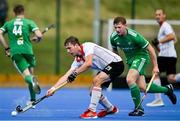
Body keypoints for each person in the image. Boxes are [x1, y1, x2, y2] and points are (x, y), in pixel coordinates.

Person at [110, 16, 177, 116]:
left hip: (141, 57)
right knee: (142, 87)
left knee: (129, 79)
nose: (117, 30)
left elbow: (151, 49)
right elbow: (114, 50)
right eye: (115, 28)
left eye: (119, 27)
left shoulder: (135, 36)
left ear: (125, 26)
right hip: (131, 61)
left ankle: (139, 109)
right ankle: (167, 89)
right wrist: (118, 63)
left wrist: (155, 66)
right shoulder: (113, 37)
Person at [46, 36, 124, 119]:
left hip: (116, 63)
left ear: (76, 45)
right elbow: (66, 75)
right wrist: (53, 88)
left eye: (69, 48)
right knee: (92, 92)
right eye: (66, 49)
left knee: (97, 80)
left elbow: (88, 63)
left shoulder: (87, 46)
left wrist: (75, 73)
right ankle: (110, 108)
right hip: (106, 68)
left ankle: (92, 111)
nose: (68, 51)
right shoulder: (77, 60)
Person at [0, 4, 42, 105]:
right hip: (28, 52)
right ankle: (32, 100)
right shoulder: (29, 22)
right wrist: (38, 39)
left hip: (16, 52)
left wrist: (6, 47)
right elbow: (39, 35)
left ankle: (32, 80)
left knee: (28, 77)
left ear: (14, 13)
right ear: (23, 12)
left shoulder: (8, 24)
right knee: (31, 76)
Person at [146, 9, 180, 107]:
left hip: (166, 56)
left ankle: (158, 100)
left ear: (164, 15)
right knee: (171, 79)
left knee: (155, 73)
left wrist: (159, 41)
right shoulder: (163, 27)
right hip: (170, 55)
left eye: (159, 14)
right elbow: (175, 40)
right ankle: (158, 100)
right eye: (156, 14)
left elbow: (172, 36)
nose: (157, 16)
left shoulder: (165, 25)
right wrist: (158, 45)